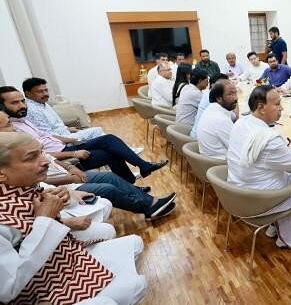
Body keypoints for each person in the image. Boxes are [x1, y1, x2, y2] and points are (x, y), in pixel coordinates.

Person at [0, 132, 146, 304]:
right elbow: (8, 289)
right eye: (31, 158)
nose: (45, 160)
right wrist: (45, 220)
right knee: (130, 289)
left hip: (61, 262)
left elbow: (29, 223)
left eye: (41, 152)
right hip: (39, 291)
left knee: (135, 245)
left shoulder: (20, 188)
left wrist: (58, 202)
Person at [1, 87, 168, 183]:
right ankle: (137, 176)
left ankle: (142, 167)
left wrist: (73, 139)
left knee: (109, 139)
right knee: (110, 153)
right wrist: (74, 152)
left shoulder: (22, 120)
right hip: (64, 157)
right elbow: (41, 153)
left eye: (22, 101)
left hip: (66, 146)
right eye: (15, 103)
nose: (22, 105)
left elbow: (49, 136)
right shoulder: (10, 131)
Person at [227, 85, 291, 249]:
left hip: (237, 190)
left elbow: (260, 146)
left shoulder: (241, 123)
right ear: (261, 107)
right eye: (277, 104)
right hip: (261, 199)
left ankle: (276, 227)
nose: (282, 108)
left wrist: (287, 141)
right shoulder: (271, 140)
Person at [43, 152, 177, 220]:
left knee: (109, 176)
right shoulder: (24, 162)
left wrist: (71, 167)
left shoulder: (32, 147)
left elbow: (51, 159)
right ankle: (146, 208)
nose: (22, 104)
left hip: (71, 175)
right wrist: (70, 178)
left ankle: (151, 202)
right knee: (109, 189)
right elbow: (42, 181)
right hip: (63, 187)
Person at [23, 77, 103, 141]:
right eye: (40, 91)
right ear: (28, 93)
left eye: (46, 90)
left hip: (67, 134)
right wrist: (71, 138)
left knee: (101, 136)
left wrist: (69, 129)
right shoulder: (32, 110)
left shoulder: (42, 103)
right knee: (99, 132)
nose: (46, 94)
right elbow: (47, 135)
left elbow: (55, 125)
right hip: (62, 141)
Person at [196, 80, 238, 160]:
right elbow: (238, 149)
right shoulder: (222, 120)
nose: (236, 98)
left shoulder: (213, 107)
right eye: (230, 94)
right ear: (219, 98)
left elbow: (234, 116)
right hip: (221, 164)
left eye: (235, 93)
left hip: (210, 159)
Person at [189, 73, 230, 139]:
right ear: (213, 85)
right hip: (198, 140)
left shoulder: (206, 93)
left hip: (197, 134)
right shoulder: (215, 99)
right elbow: (234, 117)